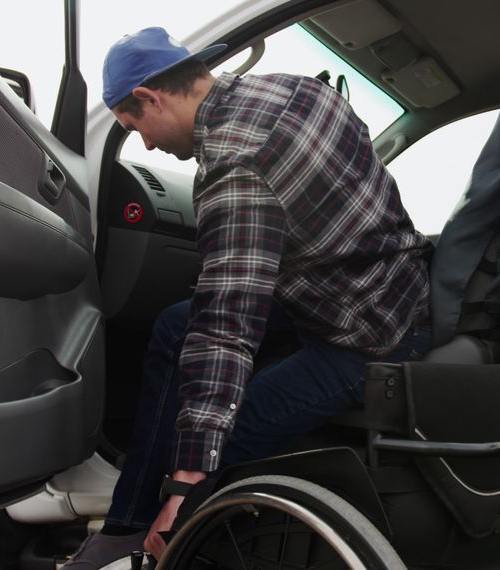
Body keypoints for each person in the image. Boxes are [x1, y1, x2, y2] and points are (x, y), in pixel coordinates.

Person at [65, 27, 432, 567]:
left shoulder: (234, 170)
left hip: (368, 338)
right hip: (378, 282)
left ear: (150, 97)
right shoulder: (302, 90)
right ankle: (129, 520)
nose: (144, 142)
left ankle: (173, 535)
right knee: (173, 325)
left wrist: (188, 478)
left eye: (135, 125)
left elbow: (225, 331)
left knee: (222, 440)